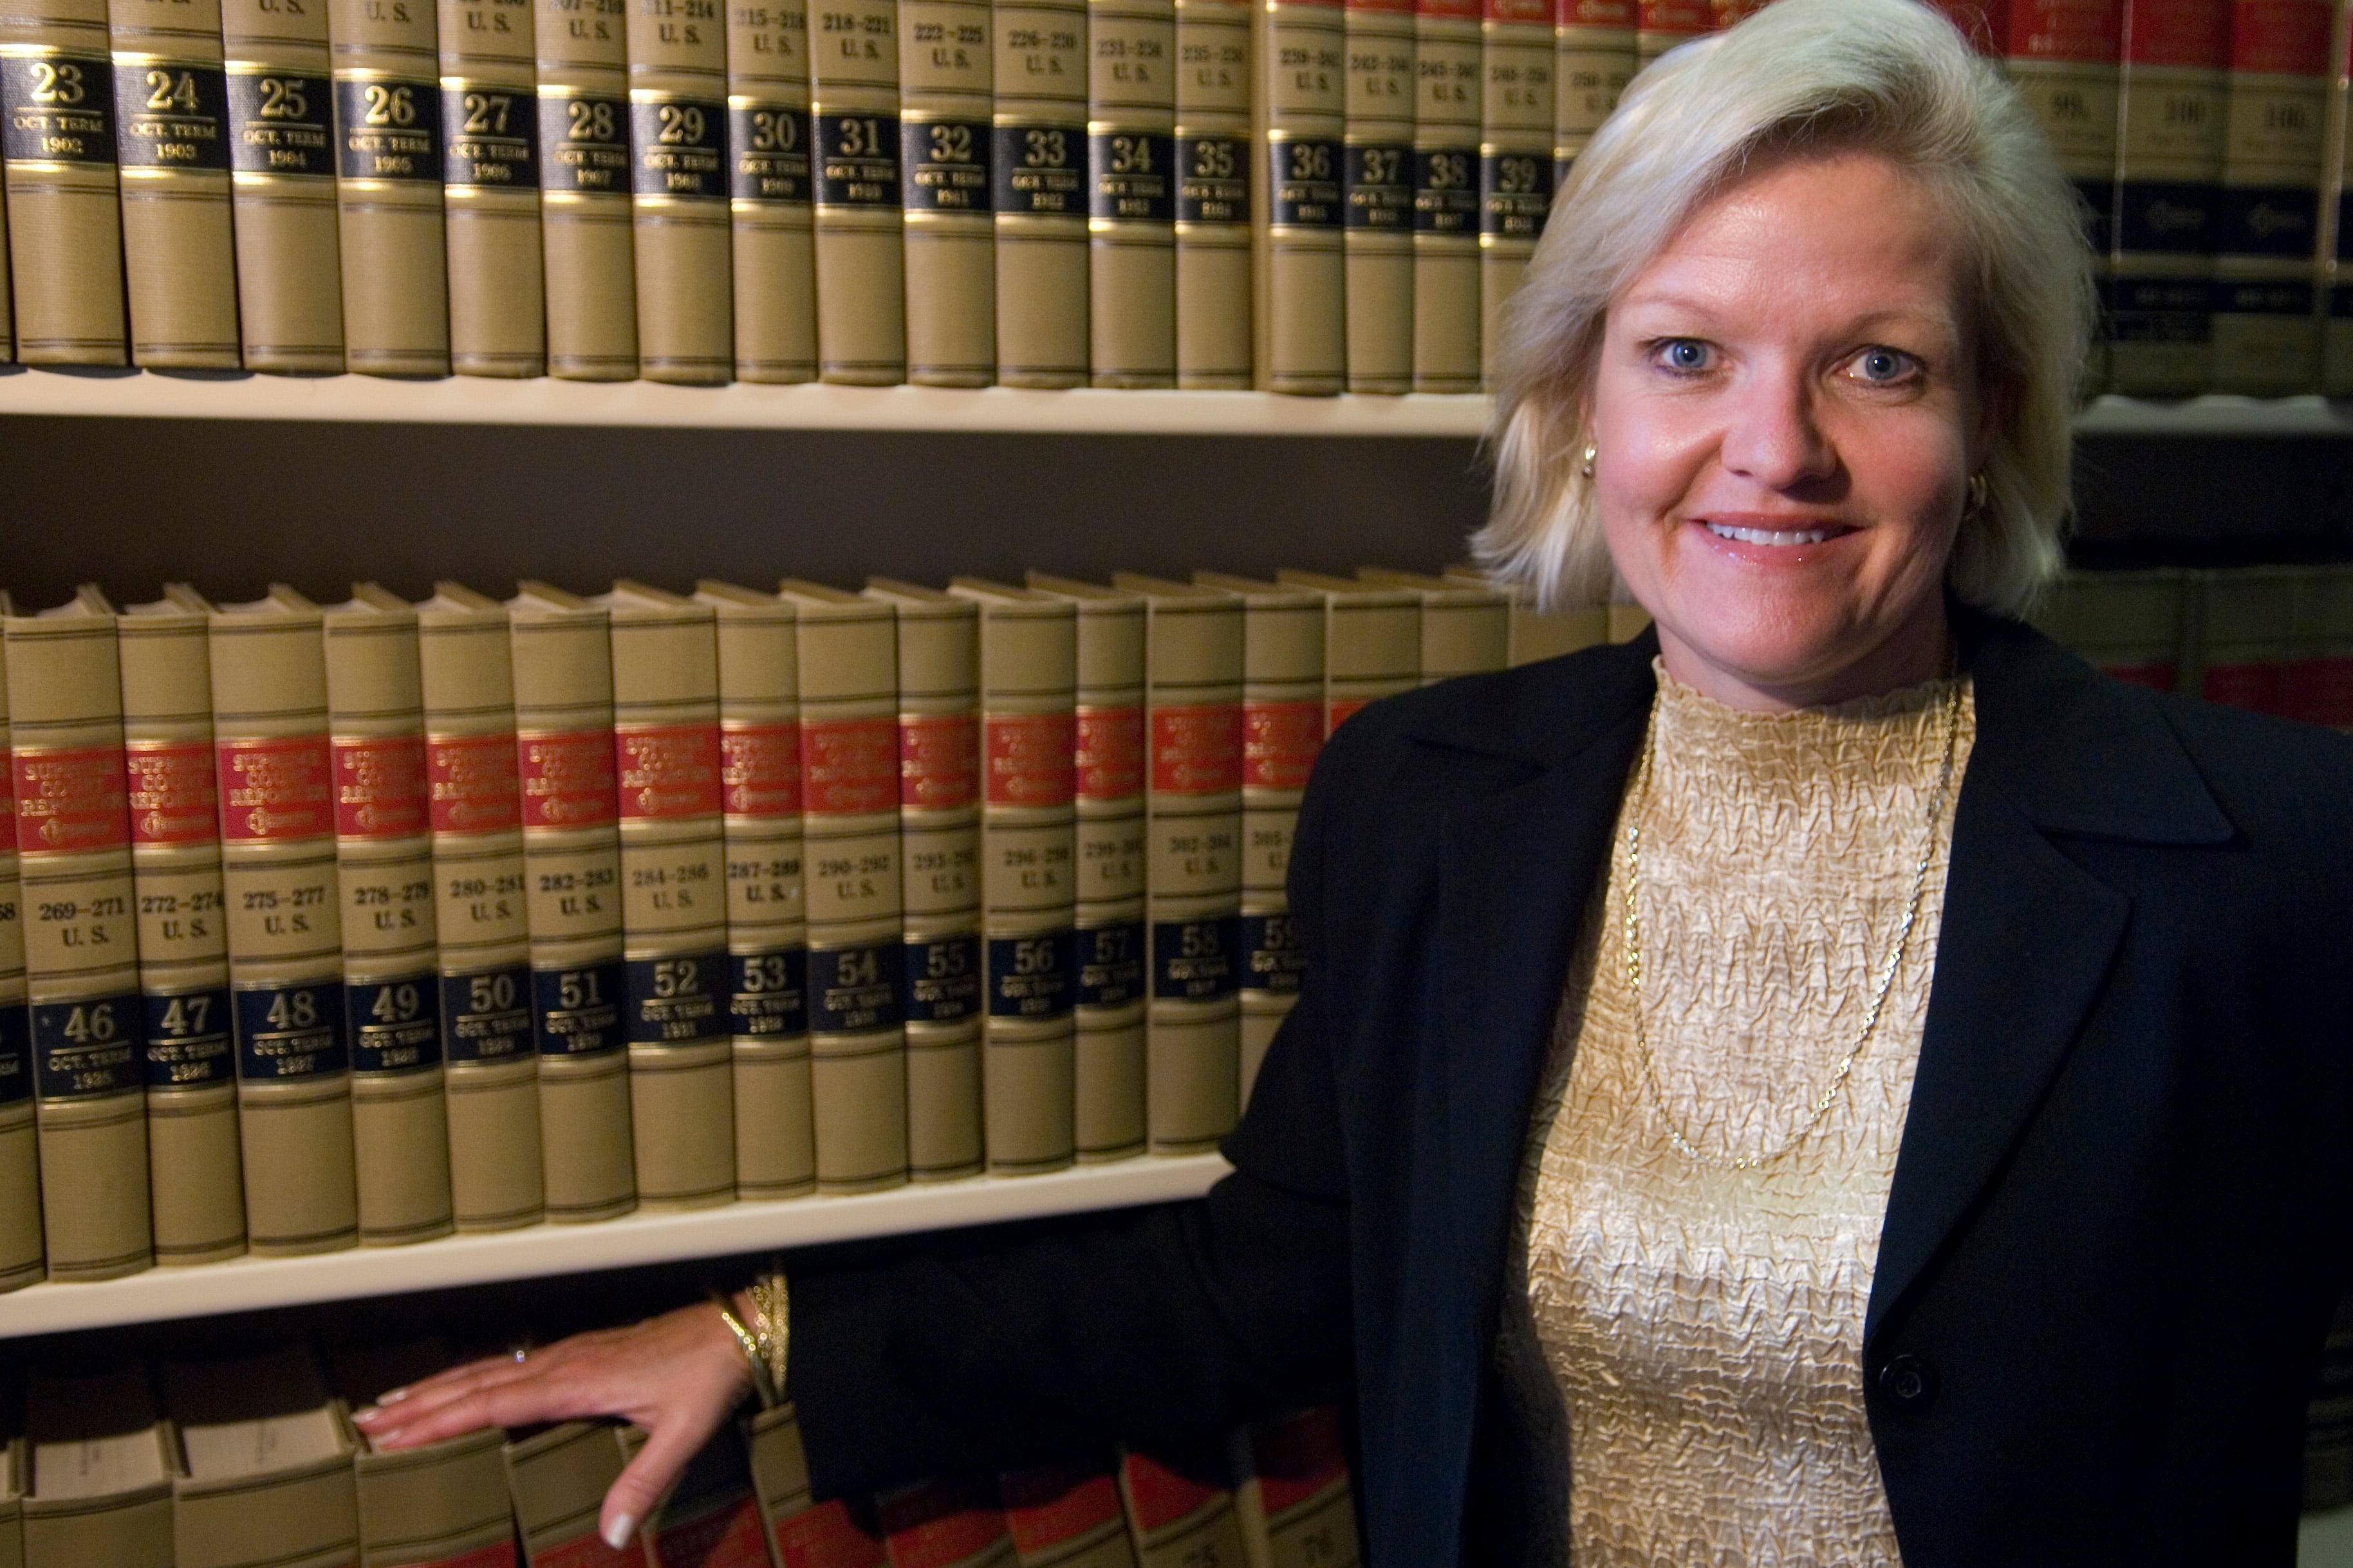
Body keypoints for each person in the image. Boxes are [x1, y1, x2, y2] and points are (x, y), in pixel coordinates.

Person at [355, 0, 2353, 1560]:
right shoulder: (1428, 803)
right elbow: (1275, 1280)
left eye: (1878, 364)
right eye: (1687, 354)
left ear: (1991, 419)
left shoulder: (2271, 862)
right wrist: (767, 1338)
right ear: (1581, 399)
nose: (1775, 450)